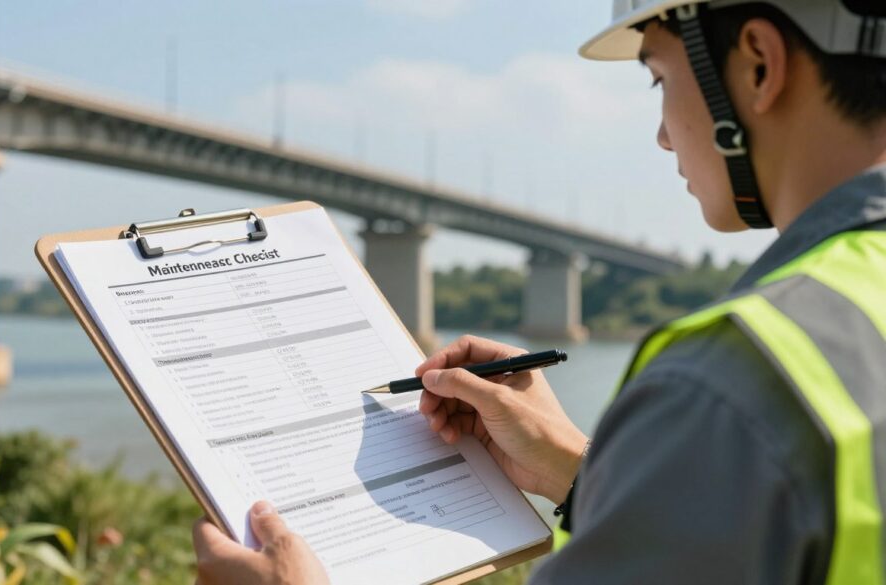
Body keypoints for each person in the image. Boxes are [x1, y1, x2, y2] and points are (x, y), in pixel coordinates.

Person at [192, 0, 886, 582]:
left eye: (658, 80)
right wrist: (587, 474)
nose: (662, 136)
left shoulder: (729, 385)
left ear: (759, 64)